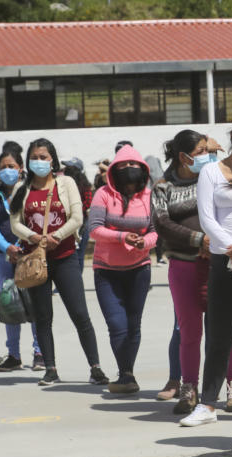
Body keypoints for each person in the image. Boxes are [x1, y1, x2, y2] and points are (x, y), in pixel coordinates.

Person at [180, 113, 232, 427]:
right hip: (223, 260)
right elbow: (207, 219)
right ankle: (207, 404)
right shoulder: (211, 172)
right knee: (219, 334)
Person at [152, 129, 232, 416]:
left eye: (210, 149)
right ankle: (189, 388)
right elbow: (162, 223)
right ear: (183, 157)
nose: (209, 155)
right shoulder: (163, 186)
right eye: (203, 150)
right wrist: (198, 240)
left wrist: (216, 242)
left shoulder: (219, 176)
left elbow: (228, 213)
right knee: (189, 331)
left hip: (219, 262)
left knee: (226, 329)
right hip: (184, 266)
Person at [10, 138, 108, 387]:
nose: (39, 161)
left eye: (44, 157)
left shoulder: (66, 183)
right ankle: (50, 369)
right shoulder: (22, 188)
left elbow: (77, 217)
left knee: (79, 314)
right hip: (36, 261)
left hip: (65, 257)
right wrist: (31, 236)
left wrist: (57, 236)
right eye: (35, 157)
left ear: (52, 159)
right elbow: (15, 223)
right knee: (43, 317)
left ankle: (95, 368)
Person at [88, 144, 157, 394]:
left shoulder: (151, 197)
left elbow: (155, 231)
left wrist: (144, 242)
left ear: (144, 170)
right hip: (106, 270)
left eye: (134, 165)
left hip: (139, 268)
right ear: (114, 170)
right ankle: (126, 374)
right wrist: (122, 237)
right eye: (124, 166)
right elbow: (93, 228)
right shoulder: (103, 194)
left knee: (133, 323)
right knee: (117, 325)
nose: (130, 169)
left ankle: (126, 374)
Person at [0, 147, 43, 371]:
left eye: (11, 166)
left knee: (34, 303)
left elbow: (34, 221)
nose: (7, 171)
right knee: (9, 305)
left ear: (21, 169)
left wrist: (21, 247)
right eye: (3, 167)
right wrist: (7, 247)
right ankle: (13, 354)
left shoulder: (30, 190)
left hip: (28, 255)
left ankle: (39, 351)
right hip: (3, 257)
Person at [60, 160, 93, 272]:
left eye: (69, 168)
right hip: (65, 223)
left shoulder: (85, 185)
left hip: (82, 224)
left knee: (79, 254)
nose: (65, 170)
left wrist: (75, 211)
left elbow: (88, 203)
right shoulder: (61, 184)